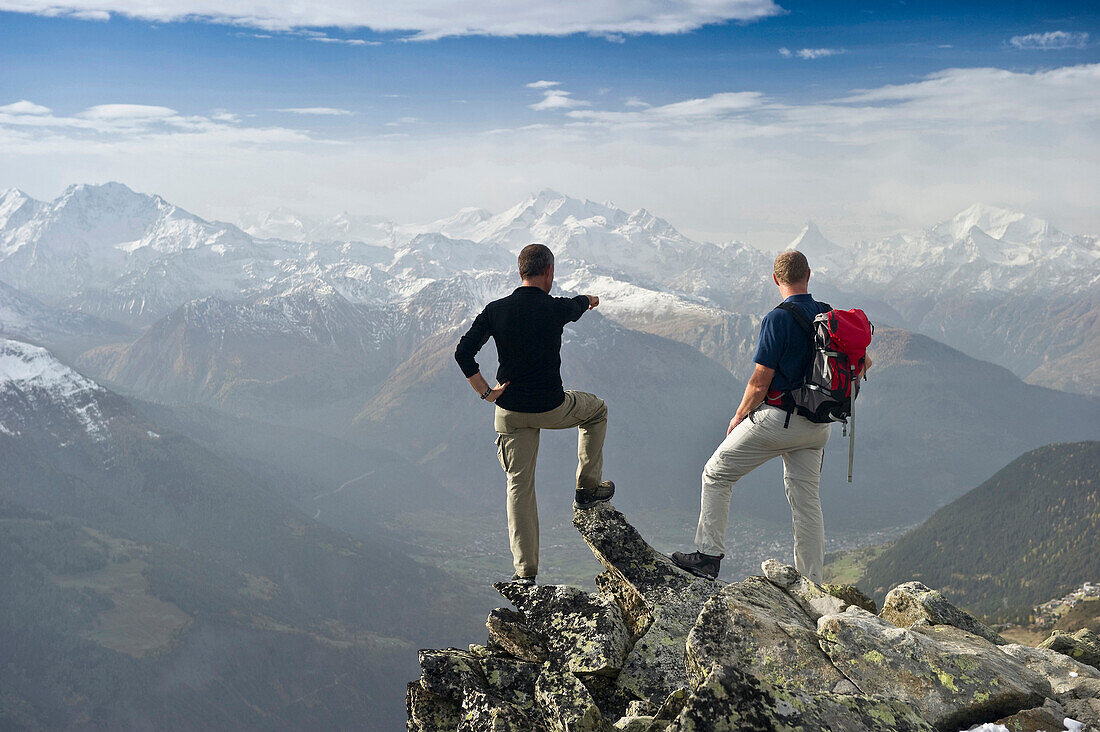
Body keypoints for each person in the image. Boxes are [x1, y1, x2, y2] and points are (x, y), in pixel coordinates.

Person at [672, 250, 869, 583]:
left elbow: (759, 380)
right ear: (809, 275)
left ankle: (707, 556)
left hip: (780, 421)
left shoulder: (777, 319)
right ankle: (812, 583)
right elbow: (861, 366)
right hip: (820, 426)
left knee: (716, 474)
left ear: (775, 279)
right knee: (806, 502)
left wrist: (738, 418)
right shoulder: (829, 315)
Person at [455, 243, 614, 587]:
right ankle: (587, 489)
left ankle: (525, 572)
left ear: (519, 272)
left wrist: (486, 391)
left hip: (509, 412)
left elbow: (463, 352)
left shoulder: (496, 311)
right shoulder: (554, 308)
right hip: (551, 408)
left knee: (518, 486)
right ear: (549, 273)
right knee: (597, 410)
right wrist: (589, 299)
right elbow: (576, 305)